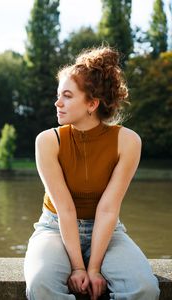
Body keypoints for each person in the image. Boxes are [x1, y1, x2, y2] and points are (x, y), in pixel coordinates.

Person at [23, 46, 160, 300]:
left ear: (92, 103)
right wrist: (78, 267)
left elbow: (108, 209)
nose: (57, 102)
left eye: (67, 96)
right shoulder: (48, 141)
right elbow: (65, 210)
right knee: (41, 286)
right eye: (58, 95)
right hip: (55, 228)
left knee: (145, 288)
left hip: (107, 229)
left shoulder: (128, 141)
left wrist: (94, 268)